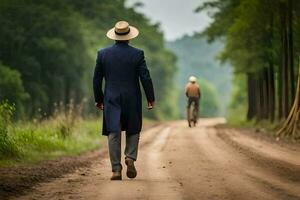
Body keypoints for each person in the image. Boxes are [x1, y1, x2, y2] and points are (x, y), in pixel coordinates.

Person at [93, 21, 155, 180]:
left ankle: (115, 169)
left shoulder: (102, 54)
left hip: (111, 98)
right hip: (132, 98)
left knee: (113, 132)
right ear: (129, 37)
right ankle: (130, 157)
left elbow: (97, 79)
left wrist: (99, 99)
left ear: (114, 36)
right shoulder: (138, 54)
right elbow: (145, 77)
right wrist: (150, 98)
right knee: (133, 129)